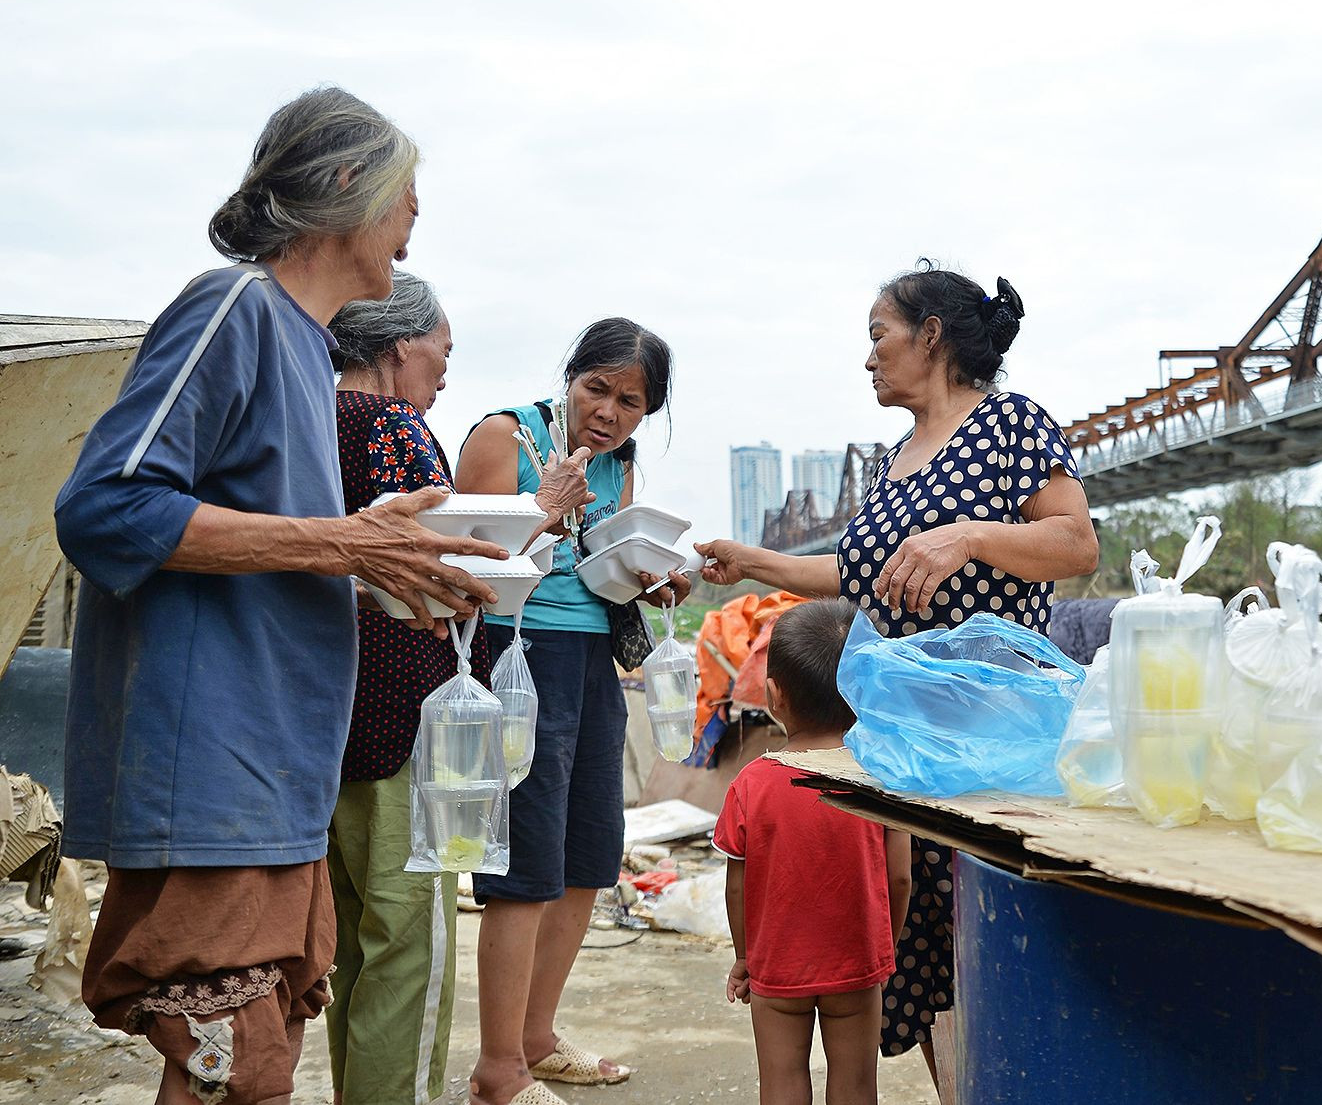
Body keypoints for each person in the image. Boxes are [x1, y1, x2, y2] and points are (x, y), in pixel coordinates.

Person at [56, 88, 507, 1105]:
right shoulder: (235, 308)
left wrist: (379, 558)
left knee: (256, 1067)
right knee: (235, 1066)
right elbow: (105, 508)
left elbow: (285, 548)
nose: (414, 219)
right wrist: (342, 542)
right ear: (344, 187)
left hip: (280, 779)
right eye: (404, 194)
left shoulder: (308, 349)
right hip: (213, 769)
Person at [697, 262, 1099, 1087]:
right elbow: (855, 574)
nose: (869, 357)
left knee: (985, 939)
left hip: (991, 741)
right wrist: (750, 564)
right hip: (907, 745)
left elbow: (1075, 544)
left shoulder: (1013, 424)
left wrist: (972, 537)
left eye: (878, 335)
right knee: (924, 955)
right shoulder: (891, 462)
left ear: (932, 335)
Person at [324, 272, 593, 1105]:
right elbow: (445, 578)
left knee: (351, 951)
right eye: (442, 347)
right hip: (404, 717)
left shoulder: (310, 421)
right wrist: (541, 510)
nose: (445, 366)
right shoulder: (397, 431)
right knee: (409, 948)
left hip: (328, 712)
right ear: (402, 345)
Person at [455, 319, 690, 1105]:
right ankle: (498, 1068)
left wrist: (650, 579)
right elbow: (468, 562)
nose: (610, 413)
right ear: (570, 377)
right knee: (524, 865)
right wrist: (543, 504)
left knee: (590, 855)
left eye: (631, 402)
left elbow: (597, 572)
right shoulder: (505, 436)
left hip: (593, 663)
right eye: (598, 389)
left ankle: (536, 1037)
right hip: (520, 656)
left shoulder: (621, 469)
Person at [715, 599, 911, 1105]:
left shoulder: (750, 784)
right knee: (856, 1084)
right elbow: (901, 878)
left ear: (774, 695)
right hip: (856, 960)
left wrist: (745, 956)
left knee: (780, 1083)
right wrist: (882, 947)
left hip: (777, 966)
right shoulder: (880, 776)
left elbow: (737, 886)